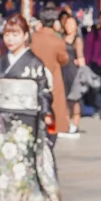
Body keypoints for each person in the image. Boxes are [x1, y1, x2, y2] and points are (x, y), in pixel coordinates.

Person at [0, 14, 65, 201]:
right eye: (7, 34)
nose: (10, 39)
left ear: (25, 36)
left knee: (23, 176)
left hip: (26, 124)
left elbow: (43, 93)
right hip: (2, 123)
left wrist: (45, 115)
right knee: (3, 175)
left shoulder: (35, 64)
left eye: (15, 34)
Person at [29, 8, 72, 137]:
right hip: (52, 78)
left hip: (33, 77)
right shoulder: (57, 40)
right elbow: (64, 59)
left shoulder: (32, 38)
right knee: (53, 108)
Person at [59, 11, 92, 136]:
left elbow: (81, 56)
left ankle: (75, 124)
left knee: (75, 99)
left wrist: (82, 69)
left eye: (72, 24)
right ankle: (66, 123)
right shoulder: (62, 38)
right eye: (67, 23)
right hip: (63, 70)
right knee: (65, 99)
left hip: (73, 71)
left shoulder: (77, 40)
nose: (69, 26)